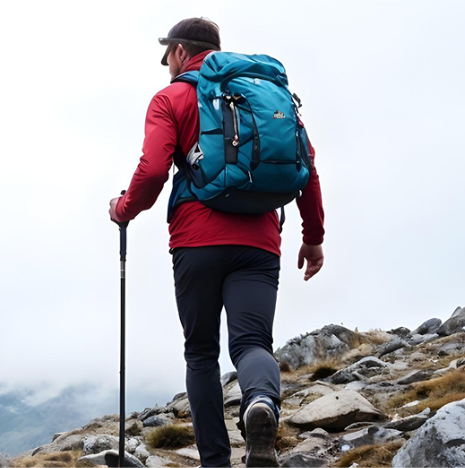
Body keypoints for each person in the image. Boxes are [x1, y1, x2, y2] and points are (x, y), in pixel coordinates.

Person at [106, 17, 325, 468]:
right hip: (259, 241)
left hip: (196, 241)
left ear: (180, 52)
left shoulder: (171, 98)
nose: (167, 65)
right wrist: (313, 238)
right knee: (251, 343)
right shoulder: (261, 95)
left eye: (167, 56)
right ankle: (259, 403)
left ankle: (215, 463)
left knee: (201, 353)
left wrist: (122, 209)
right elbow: (306, 166)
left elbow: (153, 171)